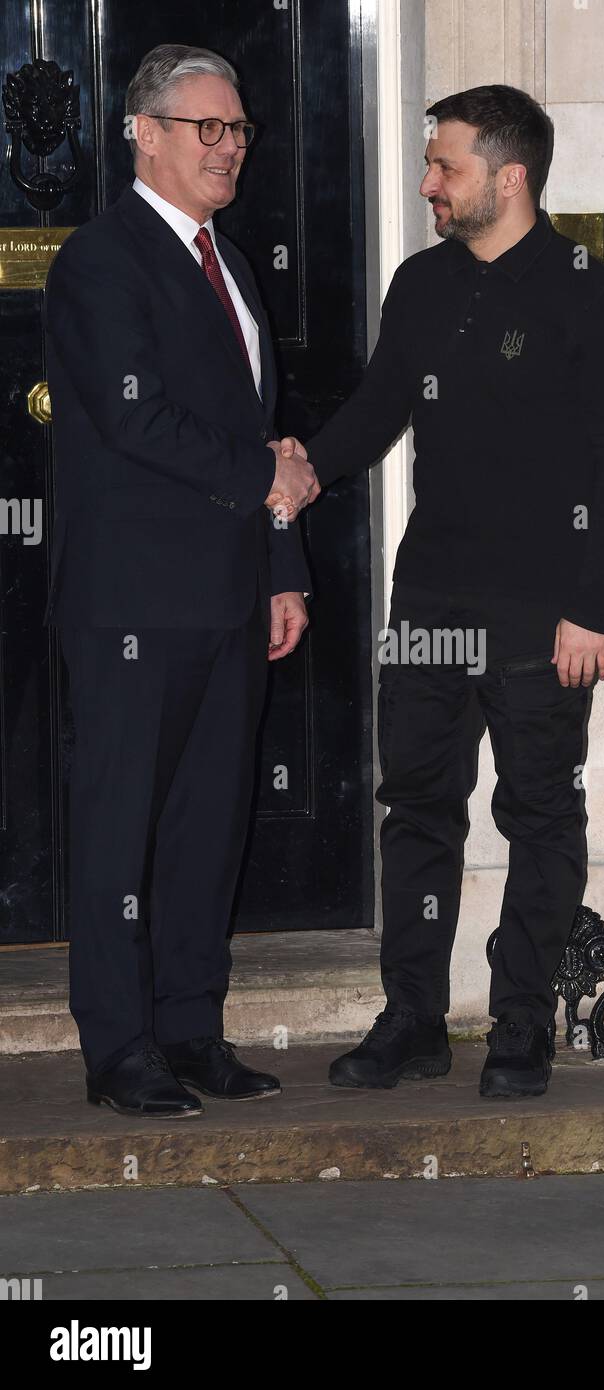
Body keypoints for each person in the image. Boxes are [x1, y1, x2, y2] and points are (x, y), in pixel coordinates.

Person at [279, 84, 604, 1098]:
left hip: (546, 612)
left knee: (537, 812)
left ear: (508, 173)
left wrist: (593, 608)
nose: (427, 184)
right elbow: (373, 411)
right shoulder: (421, 285)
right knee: (417, 810)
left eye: (444, 165)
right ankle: (410, 1018)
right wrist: (304, 467)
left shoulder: (590, 294)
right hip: (432, 602)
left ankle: (522, 1024)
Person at [44, 43, 318, 1118]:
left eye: (239, 129)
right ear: (144, 134)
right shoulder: (100, 262)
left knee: (212, 818)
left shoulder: (233, 261)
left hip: (234, 591)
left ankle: (192, 1025)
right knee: (121, 826)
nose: (230, 147)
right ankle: (120, 1047)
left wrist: (284, 568)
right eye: (207, 128)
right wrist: (268, 476)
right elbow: (132, 415)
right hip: (132, 601)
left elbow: (260, 436)